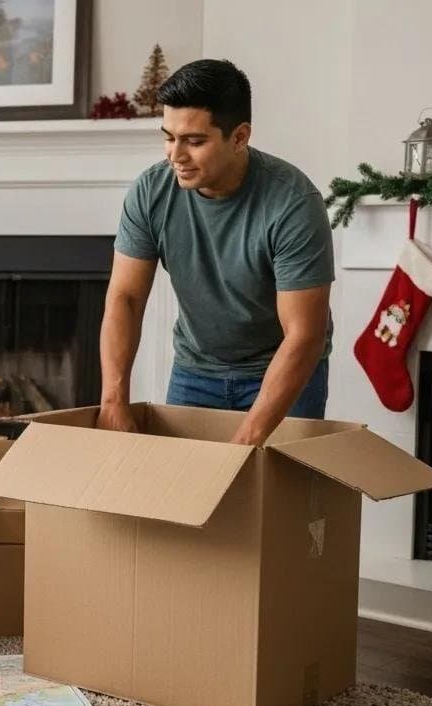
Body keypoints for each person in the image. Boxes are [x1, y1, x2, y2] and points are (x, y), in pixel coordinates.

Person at [98, 59, 334, 446]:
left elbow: (303, 335)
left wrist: (248, 438)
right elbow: (124, 298)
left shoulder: (292, 202)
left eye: (194, 141)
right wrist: (113, 399)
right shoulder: (151, 192)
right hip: (195, 371)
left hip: (281, 370)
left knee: (274, 503)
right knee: (185, 501)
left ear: (239, 137)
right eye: (168, 137)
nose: (175, 155)